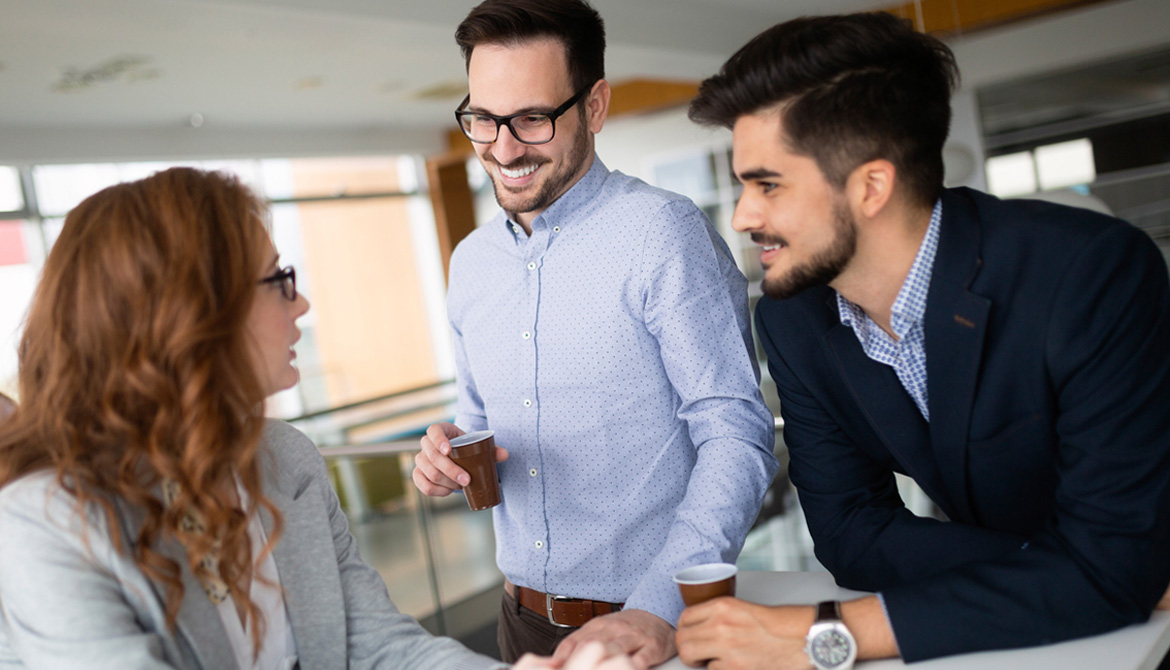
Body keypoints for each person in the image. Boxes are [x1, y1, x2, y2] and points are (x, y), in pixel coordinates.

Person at [677, 11, 1170, 669]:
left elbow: (1110, 566)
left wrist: (825, 635)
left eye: (767, 184)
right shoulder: (793, 318)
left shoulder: (1090, 273)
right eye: (743, 184)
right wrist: (1080, 573)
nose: (742, 217)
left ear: (872, 186)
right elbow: (851, 535)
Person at [0, 167, 636, 670]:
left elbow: (379, 647)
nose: (301, 302)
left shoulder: (284, 458)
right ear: (193, 315)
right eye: (278, 280)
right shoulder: (46, 526)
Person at [410, 0, 779, 666]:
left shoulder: (662, 234)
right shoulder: (469, 264)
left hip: (648, 628)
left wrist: (654, 610)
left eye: (531, 118)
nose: (503, 147)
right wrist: (446, 454)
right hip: (517, 622)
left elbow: (736, 435)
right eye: (483, 120)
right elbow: (478, 424)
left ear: (595, 106)